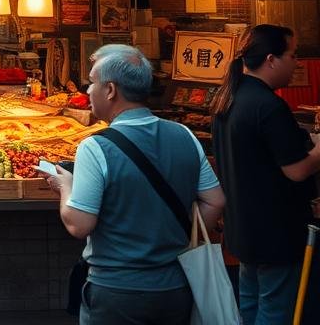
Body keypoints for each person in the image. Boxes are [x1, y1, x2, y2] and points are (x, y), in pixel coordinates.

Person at [48, 44, 226, 325]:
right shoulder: (184, 135)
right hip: (175, 285)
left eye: (92, 83)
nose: (87, 91)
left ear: (110, 90)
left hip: (117, 290)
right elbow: (215, 200)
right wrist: (172, 240)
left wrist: (65, 185)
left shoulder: (96, 147)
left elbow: (79, 224)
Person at [212, 24, 317, 325]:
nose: (296, 62)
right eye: (293, 55)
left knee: (250, 306)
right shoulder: (269, 106)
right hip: (275, 233)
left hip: (243, 229)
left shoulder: (228, 99)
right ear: (272, 59)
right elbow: (297, 171)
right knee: (275, 311)